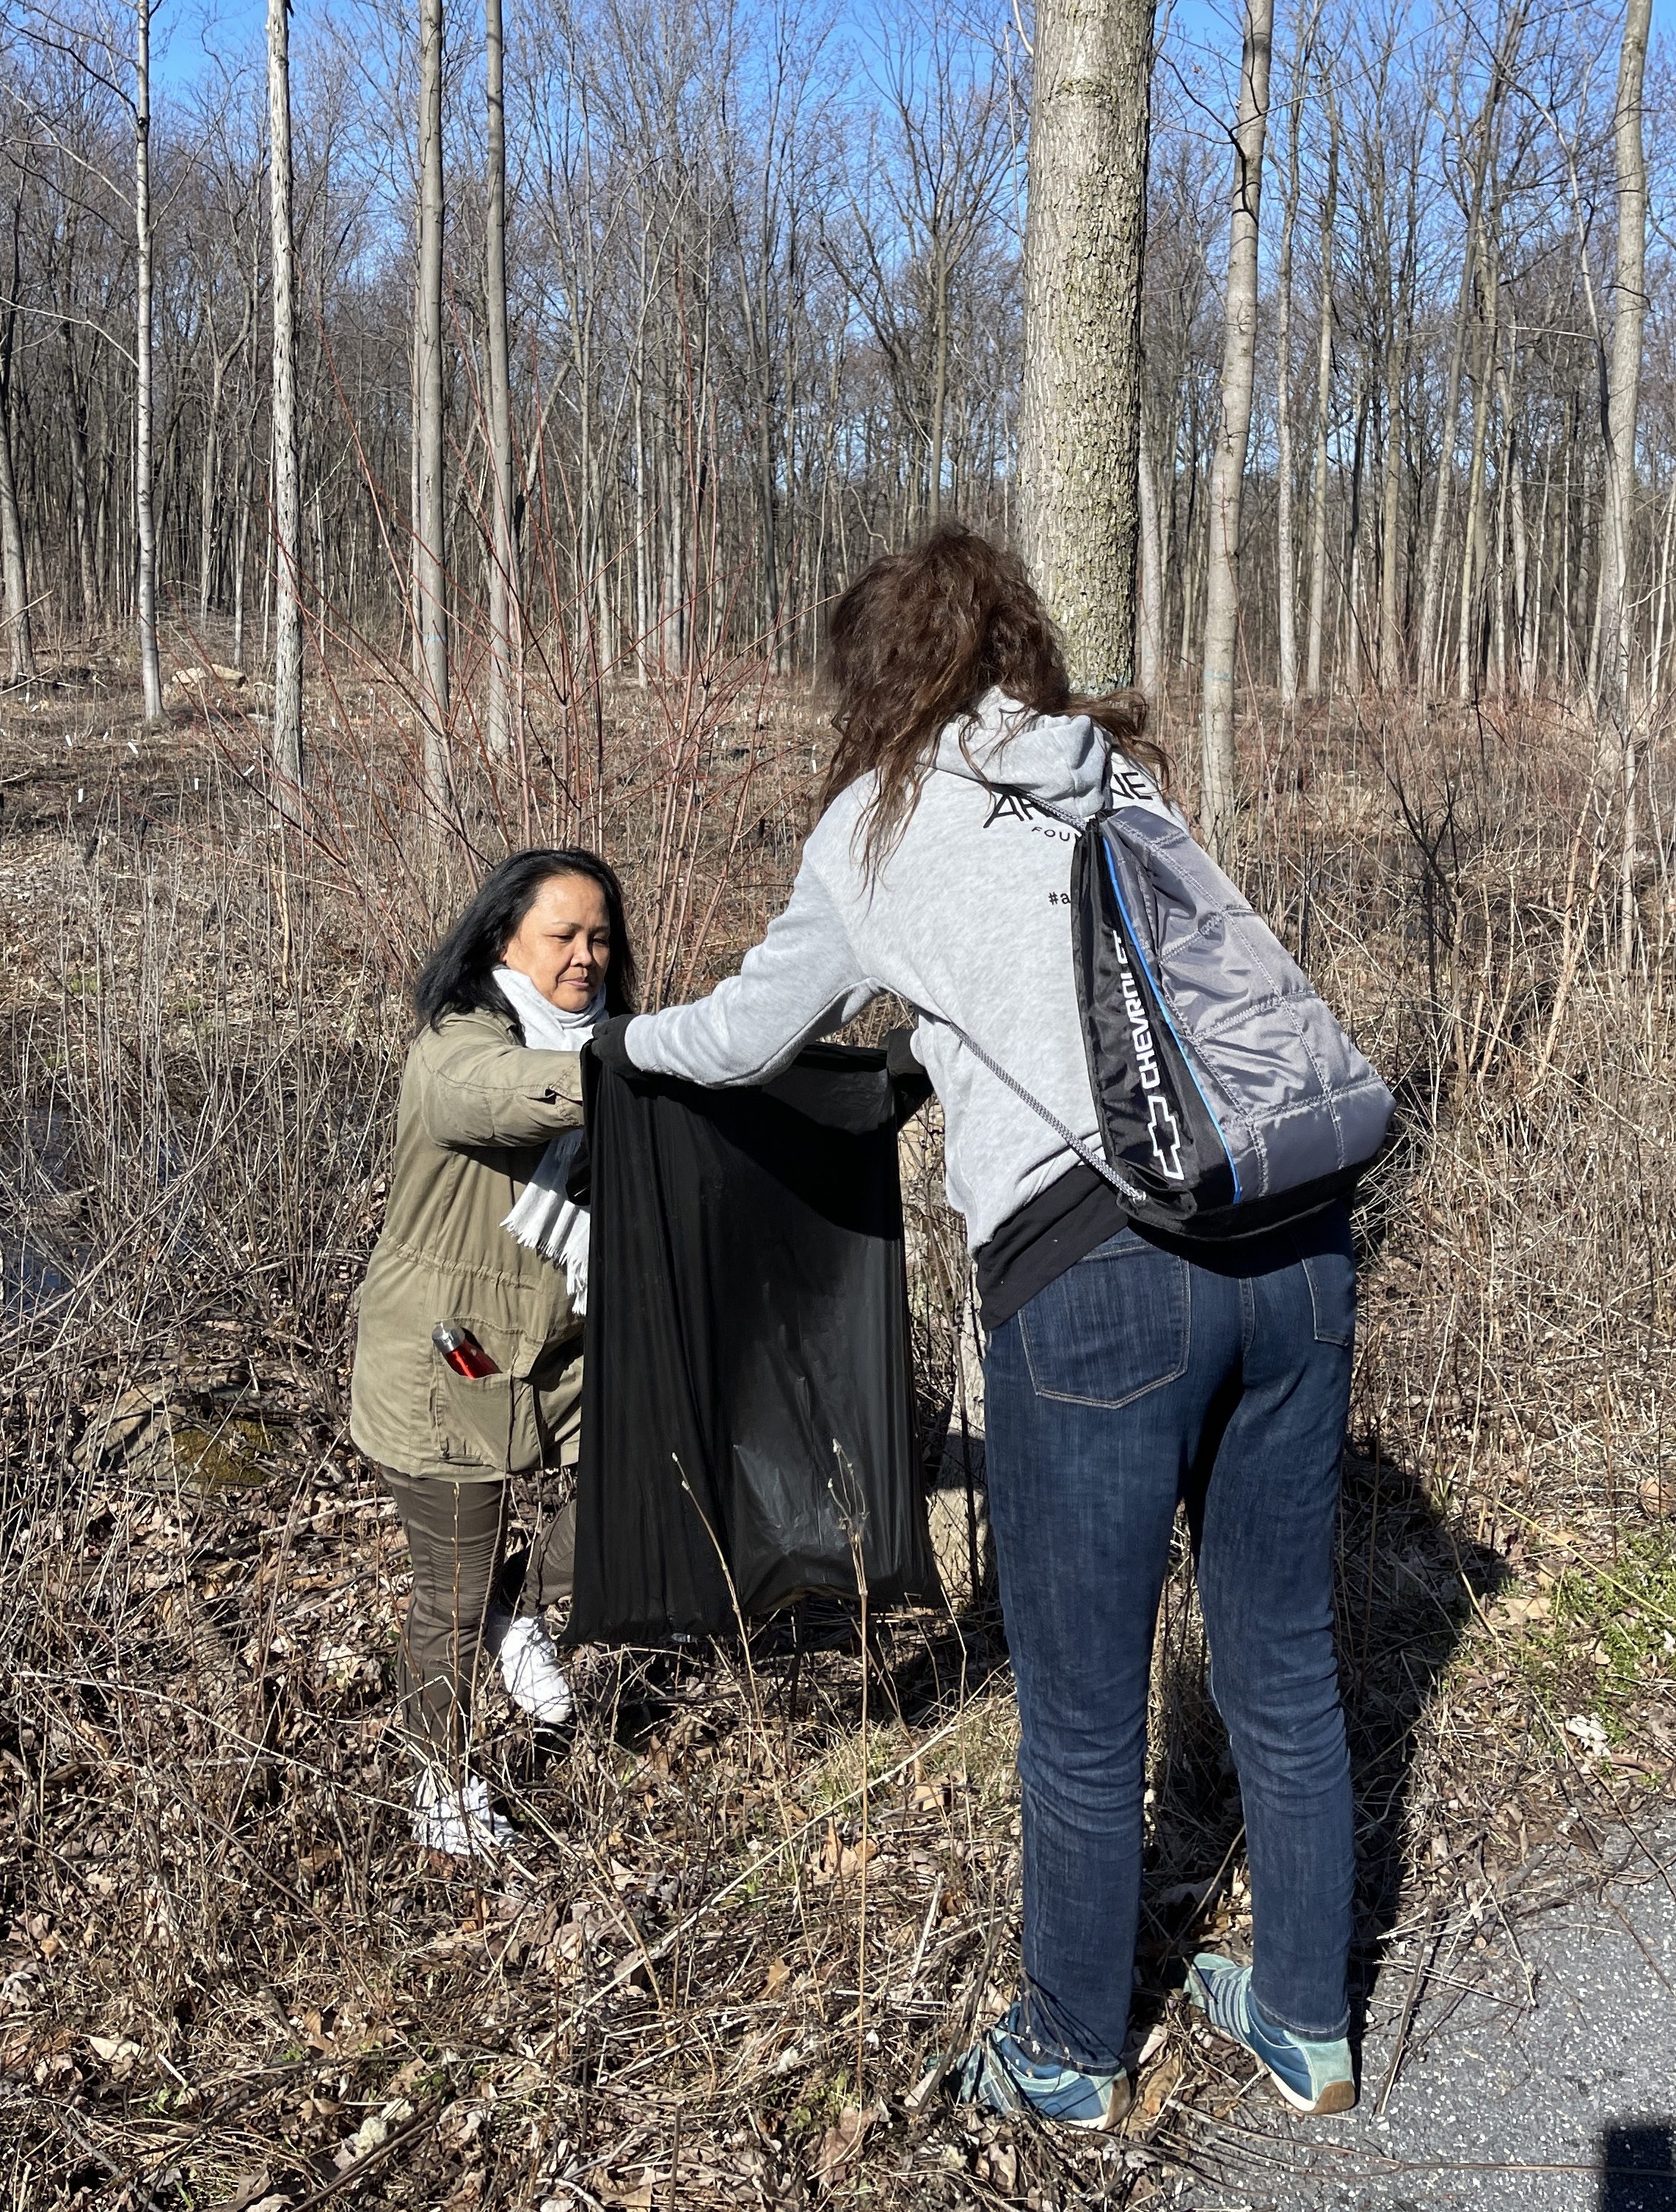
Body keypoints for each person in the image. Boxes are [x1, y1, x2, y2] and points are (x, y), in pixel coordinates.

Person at [612, 526, 1359, 2130]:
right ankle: (1306, 2016)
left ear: (879, 674)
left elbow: (747, 1036)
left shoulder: (873, 829)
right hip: (1298, 1245)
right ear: (1017, 644)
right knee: (1286, 1661)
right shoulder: (1113, 775)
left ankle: (1074, 2053)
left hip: (1099, 1285)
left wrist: (620, 1044)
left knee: (1084, 1707)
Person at [351, 847, 636, 1858]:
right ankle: (442, 1787)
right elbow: (497, 1096)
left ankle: (519, 1605)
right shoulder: (457, 1041)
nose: (585, 957)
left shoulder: (612, 1045)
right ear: (501, 937)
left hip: (559, 1351)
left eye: (599, 936)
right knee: (453, 1589)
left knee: (637, 1483)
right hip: (444, 1361)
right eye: (562, 935)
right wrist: (624, 1073)